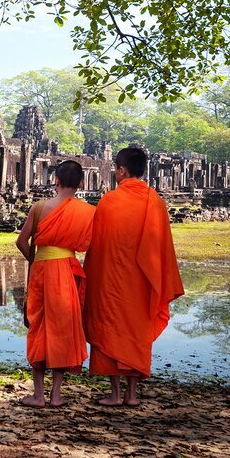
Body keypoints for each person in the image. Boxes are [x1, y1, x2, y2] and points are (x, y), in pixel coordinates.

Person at [83, 147, 184, 407]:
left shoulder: (109, 201)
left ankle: (115, 394)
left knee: (110, 330)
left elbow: (98, 247)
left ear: (122, 170)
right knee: (136, 332)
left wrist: (91, 277)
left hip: (111, 281)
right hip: (142, 282)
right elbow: (162, 248)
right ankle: (131, 394)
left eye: (115, 169)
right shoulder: (156, 202)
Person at [16, 160, 95, 407]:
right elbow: (89, 244)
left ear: (56, 180)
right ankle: (56, 395)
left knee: (39, 326)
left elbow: (21, 242)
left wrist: (38, 258)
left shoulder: (39, 208)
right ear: (81, 183)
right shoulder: (87, 211)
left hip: (41, 270)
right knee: (62, 328)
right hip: (66, 271)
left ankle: (38, 395)